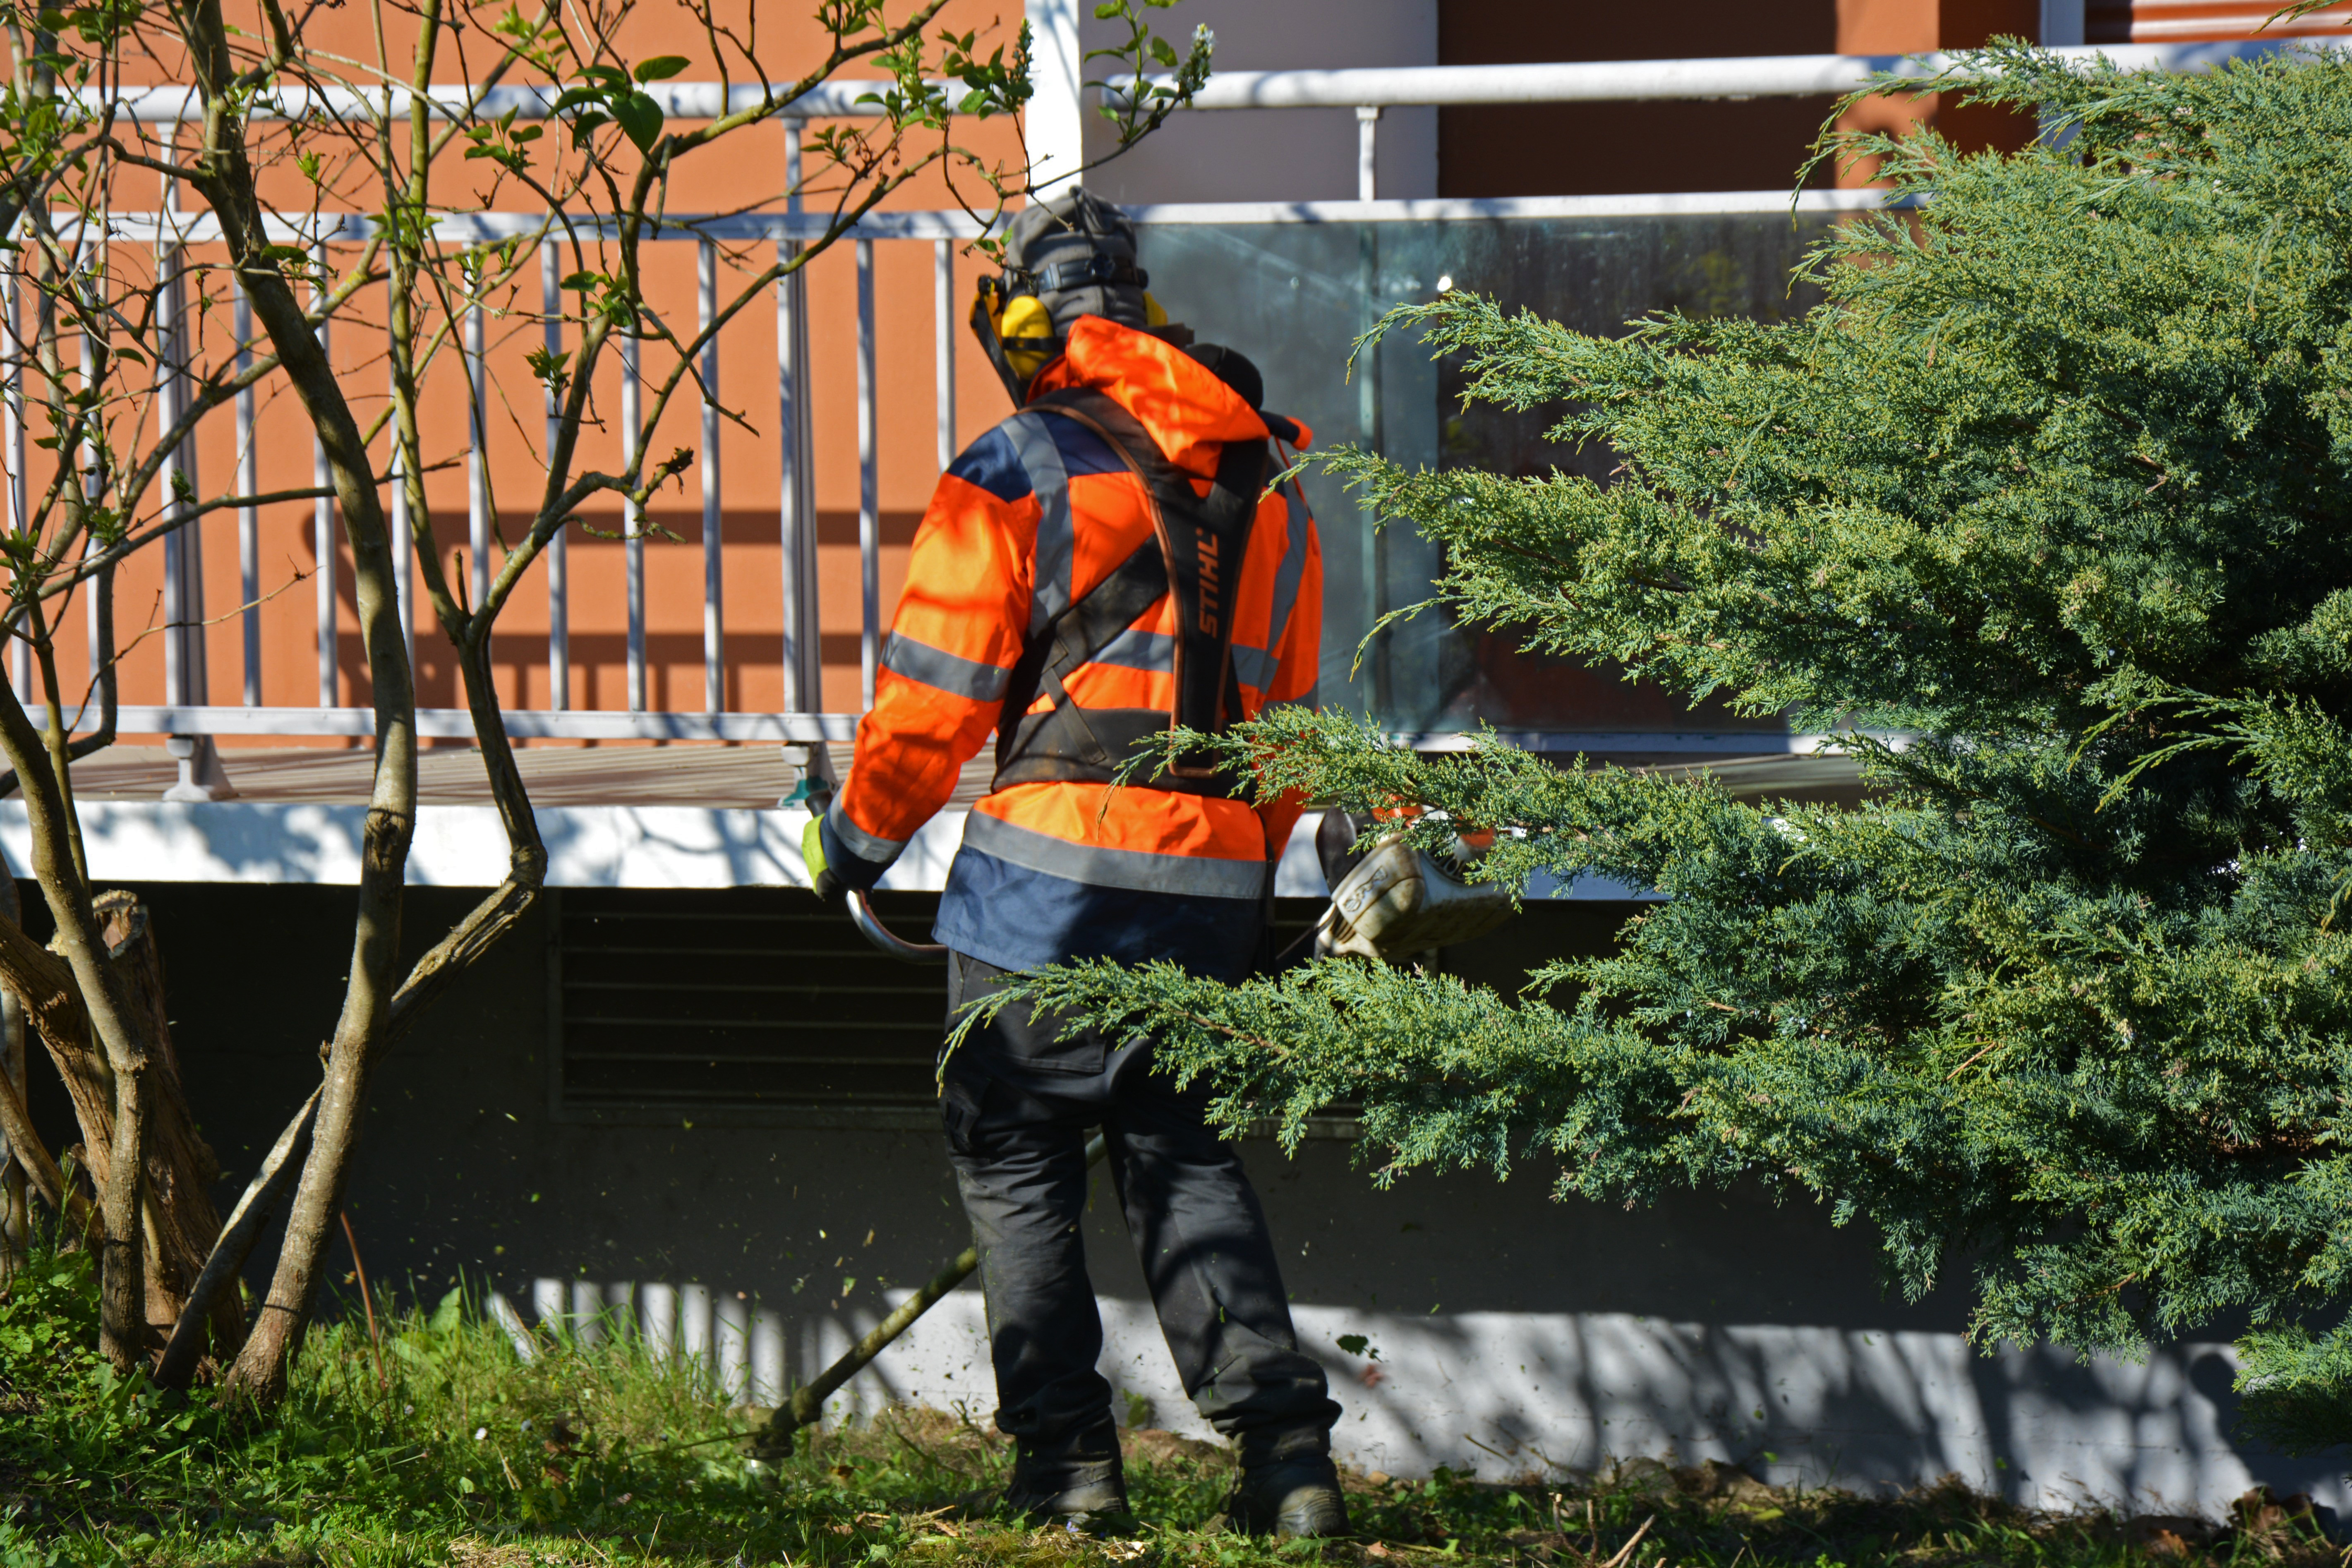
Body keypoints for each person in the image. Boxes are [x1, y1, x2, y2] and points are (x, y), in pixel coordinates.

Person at [801, 188, 1345, 1537]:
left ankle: (1070, 1472)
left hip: (1043, 894)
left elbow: (935, 695)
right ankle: (1286, 1462)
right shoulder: (1268, 485)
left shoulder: (1021, 462)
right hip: (1214, 889)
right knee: (1185, 1163)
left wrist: (853, 841)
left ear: (1025, 326)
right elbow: (1282, 720)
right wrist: (1245, 877)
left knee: (1018, 1161)